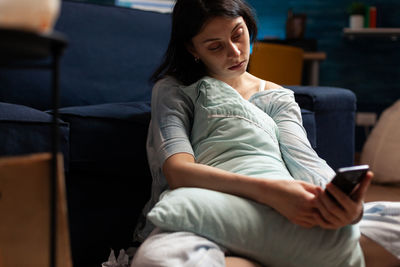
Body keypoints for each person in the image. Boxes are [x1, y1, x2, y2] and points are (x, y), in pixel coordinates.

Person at [131, 0, 400, 266]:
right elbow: (177, 171)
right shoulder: (175, 89)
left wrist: (345, 206)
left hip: (283, 206)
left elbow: (304, 159)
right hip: (215, 202)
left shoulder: (275, 95)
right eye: (215, 47)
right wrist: (271, 192)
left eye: (238, 34)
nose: (235, 53)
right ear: (192, 49)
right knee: (157, 260)